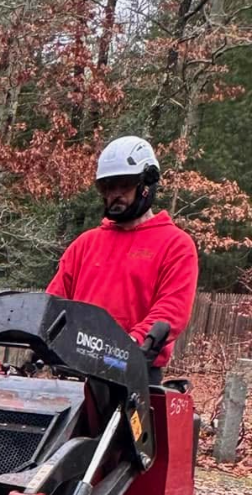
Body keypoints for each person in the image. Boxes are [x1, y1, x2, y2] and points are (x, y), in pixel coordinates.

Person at [47, 136, 198, 369]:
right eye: (108, 187)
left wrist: (130, 344)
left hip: (132, 368)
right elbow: (54, 301)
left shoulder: (176, 245)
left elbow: (171, 310)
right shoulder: (85, 244)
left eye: (123, 185)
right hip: (75, 363)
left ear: (147, 183)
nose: (114, 195)